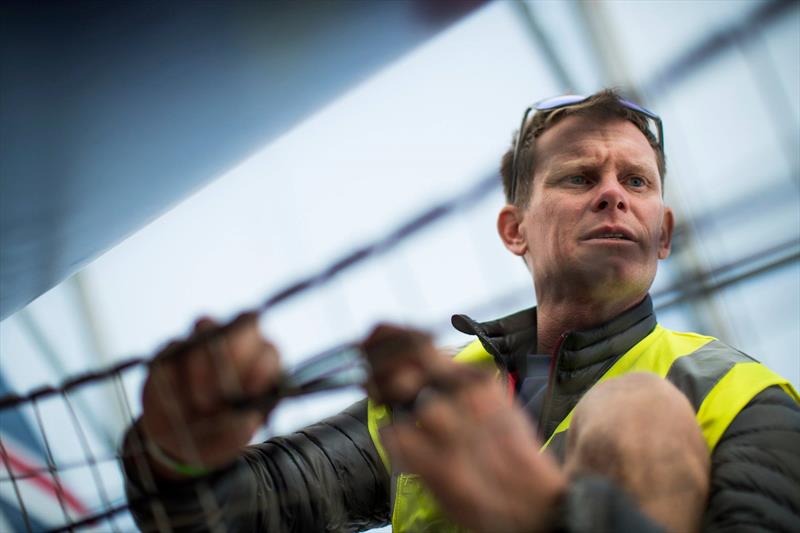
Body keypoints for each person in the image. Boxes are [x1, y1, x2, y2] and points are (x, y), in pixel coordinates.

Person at [123, 90, 800, 532]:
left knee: (636, 410)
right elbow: (222, 512)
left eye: (636, 180)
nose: (613, 195)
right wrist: (173, 452)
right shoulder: (438, 393)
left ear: (663, 230)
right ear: (515, 230)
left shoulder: (742, 395)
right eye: (579, 177)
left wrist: (549, 516)